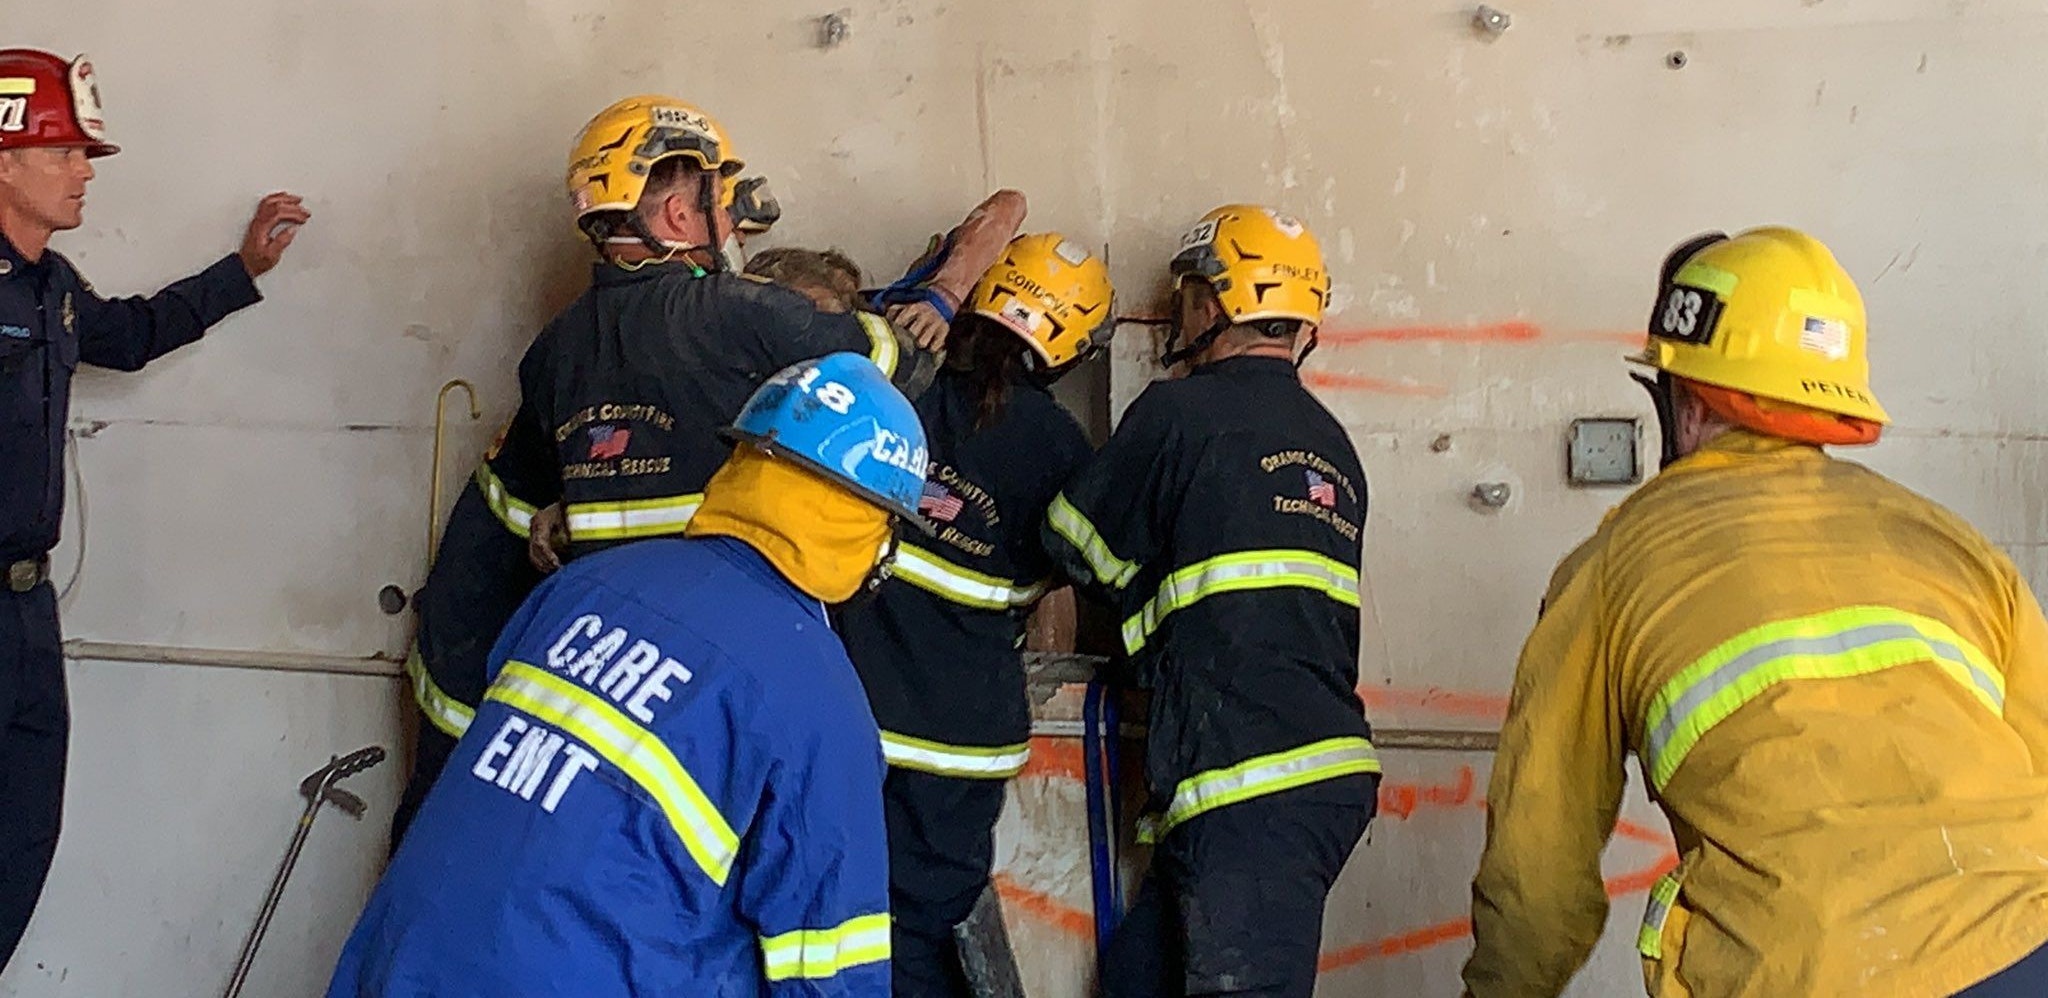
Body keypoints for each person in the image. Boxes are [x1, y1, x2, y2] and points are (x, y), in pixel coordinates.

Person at [1462, 227, 2048, 998]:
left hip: (1810, 968)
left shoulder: (1612, 567)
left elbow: (1539, 864)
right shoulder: (1955, 545)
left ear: (1690, 404)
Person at [329, 353, 927, 997]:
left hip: (395, 962)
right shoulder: (820, 700)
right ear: (875, 531)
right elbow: (832, 973)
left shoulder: (587, 584)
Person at [0, 48, 306, 970]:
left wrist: (241, 269)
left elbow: (128, 336)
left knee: (21, 839)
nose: (83, 172)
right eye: (63, 152)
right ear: (4, 160)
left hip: (23, 610)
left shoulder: (50, 286)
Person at [388, 169, 797, 852]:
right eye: (719, 211)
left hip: (483, 667)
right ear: (675, 213)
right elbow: (882, 359)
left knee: (452, 872)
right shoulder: (717, 320)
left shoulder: (567, 342)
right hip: (497, 678)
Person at [1043, 205, 1379, 997]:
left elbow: (1068, 539)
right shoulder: (1332, 445)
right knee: (1137, 982)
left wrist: (1130, 589)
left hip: (1249, 781)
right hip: (1297, 775)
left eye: (1189, 292)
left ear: (1217, 304)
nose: (1178, 311)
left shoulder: (1178, 411)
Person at [506, 96, 1023, 572]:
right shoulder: (734, 310)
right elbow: (890, 366)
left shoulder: (552, 347)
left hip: (602, 612)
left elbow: (543, 503)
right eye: (721, 205)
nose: (731, 226)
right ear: (678, 214)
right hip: (722, 597)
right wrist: (935, 301)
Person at [835, 233, 1109, 995]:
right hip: (963, 740)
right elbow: (1090, 569)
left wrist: (943, 282)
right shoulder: (1061, 448)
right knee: (923, 930)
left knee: (839, 916)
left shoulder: (903, 386)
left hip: (854, 711)